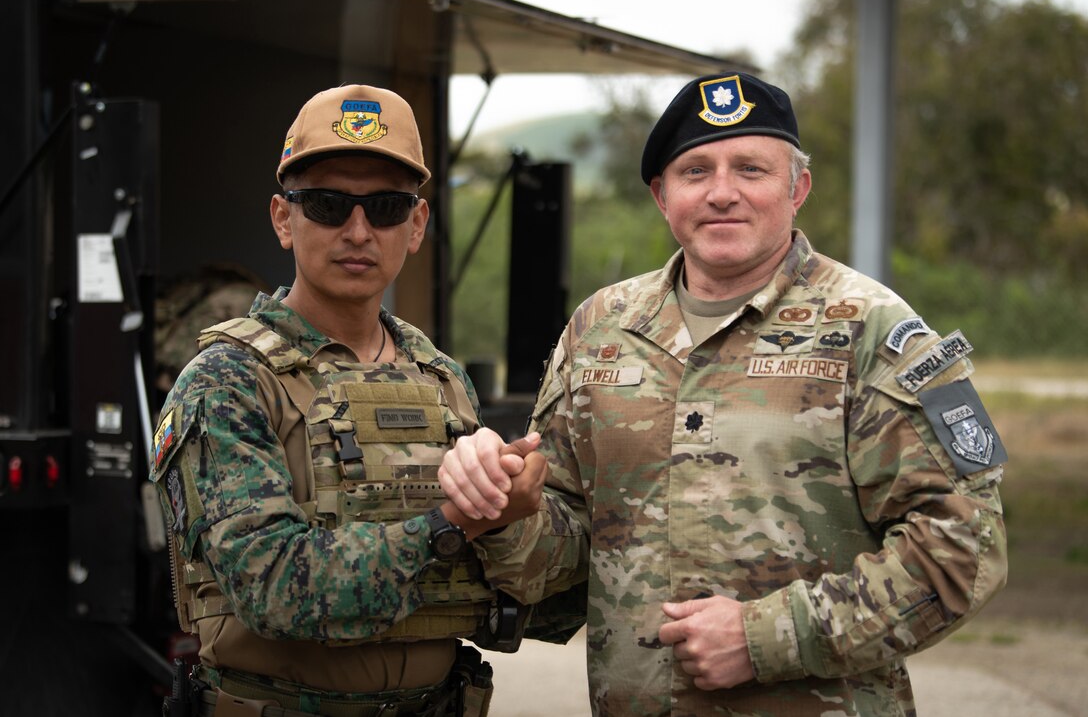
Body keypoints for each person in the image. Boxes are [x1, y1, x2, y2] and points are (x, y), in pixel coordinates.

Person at [438, 71, 1009, 715]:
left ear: (799, 189)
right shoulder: (602, 328)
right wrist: (504, 510)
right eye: (695, 171)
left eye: (751, 169)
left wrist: (765, 638)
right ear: (661, 195)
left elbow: (963, 547)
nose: (722, 193)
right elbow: (569, 544)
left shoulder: (872, 331)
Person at [148, 83, 575, 717]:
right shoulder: (229, 380)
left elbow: (524, 591)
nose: (357, 230)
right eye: (326, 204)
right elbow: (273, 589)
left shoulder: (441, 379)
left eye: (385, 206)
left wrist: (515, 509)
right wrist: (455, 525)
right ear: (283, 219)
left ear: (417, 225)